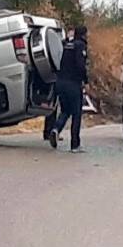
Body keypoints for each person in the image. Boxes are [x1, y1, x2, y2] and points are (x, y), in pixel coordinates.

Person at [49, 25, 89, 153]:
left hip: (60, 82)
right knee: (76, 113)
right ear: (83, 35)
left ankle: (56, 129)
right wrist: (86, 80)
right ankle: (75, 145)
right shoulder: (80, 45)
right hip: (73, 84)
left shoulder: (67, 45)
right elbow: (80, 65)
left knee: (65, 110)